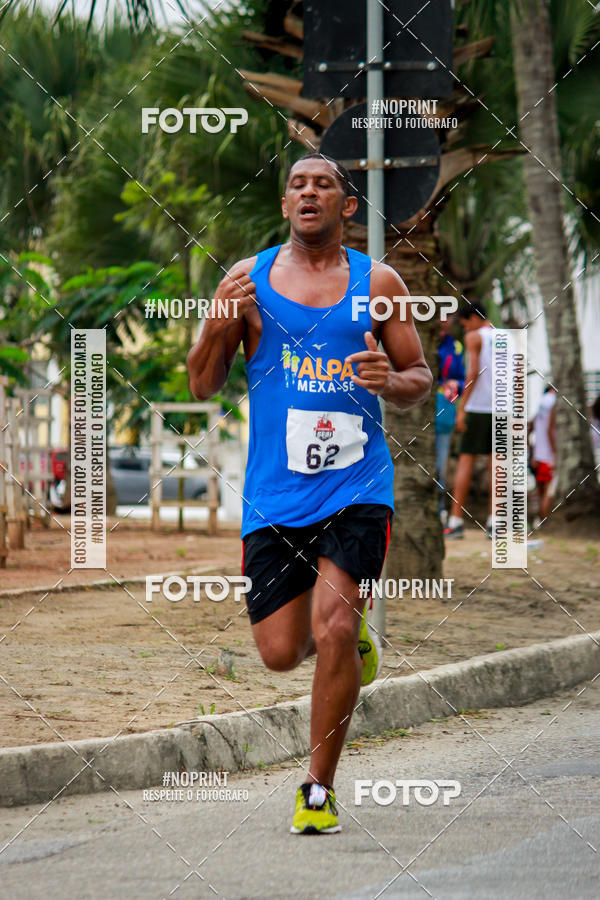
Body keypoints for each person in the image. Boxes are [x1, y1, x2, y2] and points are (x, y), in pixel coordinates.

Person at [187, 153, 432, 834]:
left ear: (347, 206)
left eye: (323, 183)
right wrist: (215, 324)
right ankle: (348, 655)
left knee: (335, 625)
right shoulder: (247, 281)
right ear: (286, 202)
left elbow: (419, 379)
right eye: (297, 183)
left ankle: (317, 789)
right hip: (275, 494)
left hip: (358, 486)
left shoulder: (377, 283)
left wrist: (391, 379)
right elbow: (201, 385)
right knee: (277, 652)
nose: (309, 192)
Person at [444, 300, 494, 539]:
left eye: (465, 325)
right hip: (503, 408)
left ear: (474, 318)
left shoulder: (475, 338)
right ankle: (495, 523)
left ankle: (455, 522)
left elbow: (472, 373)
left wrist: (462, 408)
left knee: (466, 462)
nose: (465, 331)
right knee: (498, 467)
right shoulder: (509, 339)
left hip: (477, 408)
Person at [435, 314, 465, 523]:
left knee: (440, 462)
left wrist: (455, 387)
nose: (443, 321)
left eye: (448, 315)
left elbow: (463, 379)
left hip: (444, 409)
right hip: (413, 411)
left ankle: (438, 509)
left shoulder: (456, 346)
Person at [530, 386, 557, 524]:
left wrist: (531, 452)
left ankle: (538, 520)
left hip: (538, 455)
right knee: (549, 491)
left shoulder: (541, 402)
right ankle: (543, 522)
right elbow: (550, 429)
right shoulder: (554, 401)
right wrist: (555, 453)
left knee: (541, 491)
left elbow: (531, 426)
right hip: (549, 455)